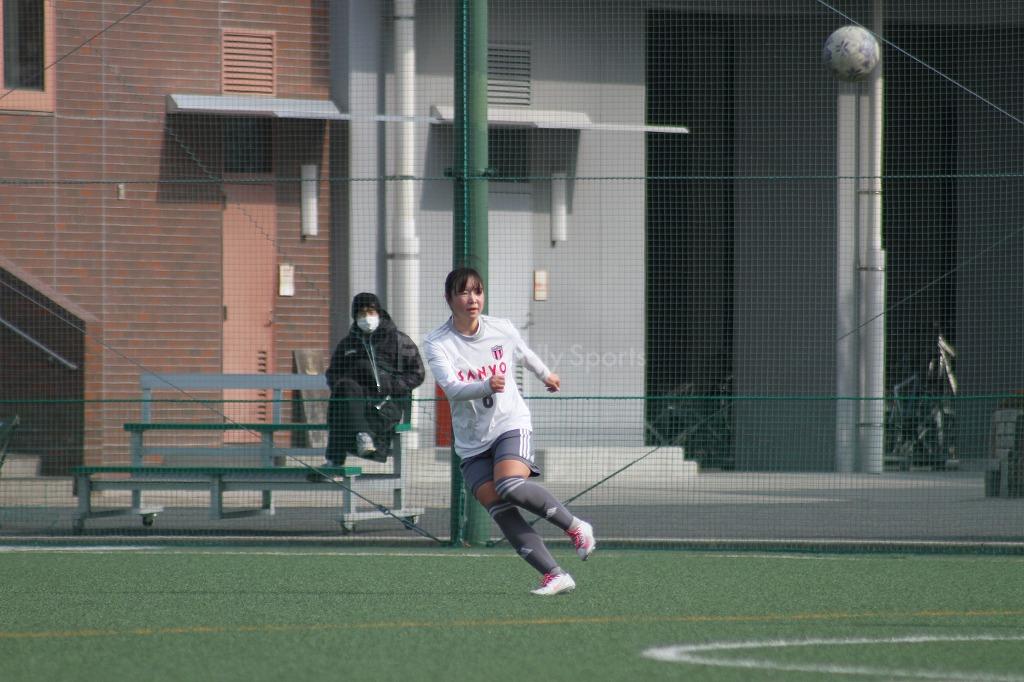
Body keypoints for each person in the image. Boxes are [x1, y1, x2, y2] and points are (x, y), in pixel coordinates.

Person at [424, 267, 596, 596]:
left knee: (510, 484)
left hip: (509, 422)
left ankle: (576, 528)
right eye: (463, 292)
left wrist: (546, 374)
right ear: (449, 299)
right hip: (471, 441)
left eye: (477, 291)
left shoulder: (500, 328)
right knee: (498, 507)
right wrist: (484, 384)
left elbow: (524, 353)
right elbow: (452, 388)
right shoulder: (437, 342)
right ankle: (555, 574)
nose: (472, 298)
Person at [324, 293, 424, 467]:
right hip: (355, 403)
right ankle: (362, 434)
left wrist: (391, 385)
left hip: (386, 404)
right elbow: (333, 374)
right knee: (343, 391)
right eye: (361, 314)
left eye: (370, 312)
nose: (366, 318)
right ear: (355, 317)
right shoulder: (347, 344)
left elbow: (417, 373)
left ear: (379, 312)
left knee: (340, 407)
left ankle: (335, 459)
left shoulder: (399, 341)